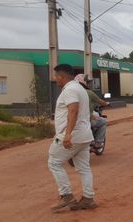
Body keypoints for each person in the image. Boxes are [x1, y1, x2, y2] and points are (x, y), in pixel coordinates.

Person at [48, 64, 98, 212]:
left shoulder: (70, 90)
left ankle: (66, 196)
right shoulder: (80, 88)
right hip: (84, 135)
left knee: (54, 162)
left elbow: (73, 110)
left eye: (56, 76)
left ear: (61, 77)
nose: (55, 79)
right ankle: (88, 199)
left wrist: (68, 134)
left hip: (73, 135)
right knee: (84, 168)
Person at [74, 74, 109, 149]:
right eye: (87, 82)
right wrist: (106, 103)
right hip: (86, 119)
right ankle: (98, 142)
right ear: (83, 82)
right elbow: (100, 101)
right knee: (103, 122)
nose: (88, 83)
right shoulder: (89, 92)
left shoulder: (72, 92)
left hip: (72, 120)